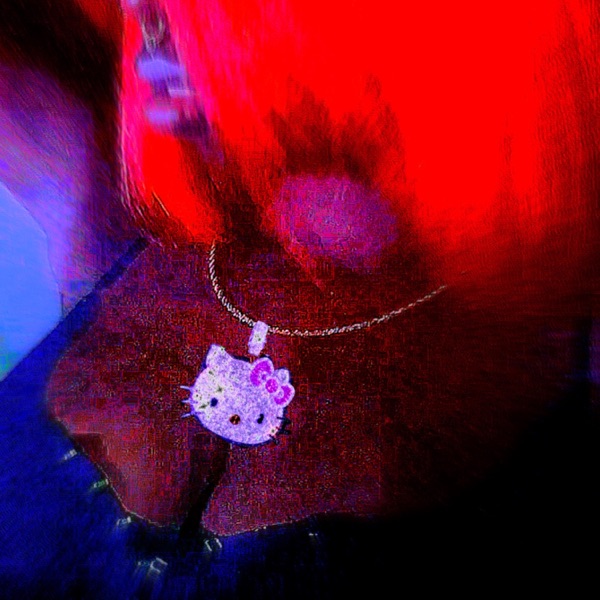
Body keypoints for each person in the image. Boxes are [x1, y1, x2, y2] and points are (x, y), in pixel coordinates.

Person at [1, 0, 599, 596]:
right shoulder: (155, 232)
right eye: (146, 13)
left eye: (180, 15)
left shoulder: (535, 395)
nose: (140, 29)